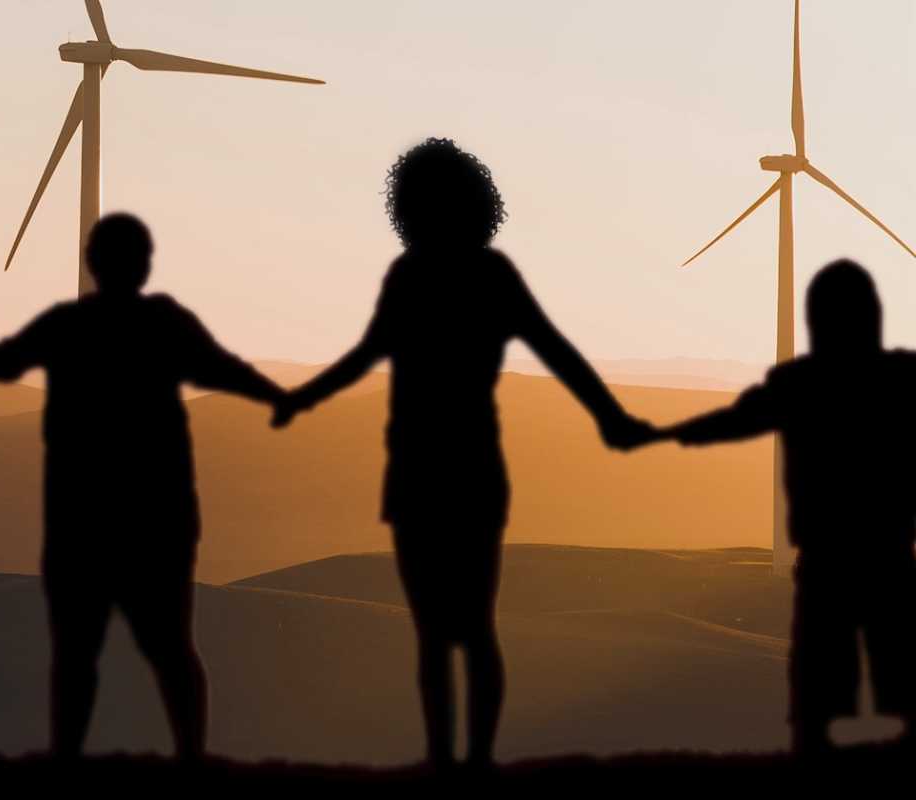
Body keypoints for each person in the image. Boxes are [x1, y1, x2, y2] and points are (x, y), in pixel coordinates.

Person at [274, 139, 652, 769]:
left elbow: (368, 355)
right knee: (472, 627)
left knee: (440, 632)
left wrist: (303, 397)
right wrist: (609, 416)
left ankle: (450, 760)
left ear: (408, 204)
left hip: (427, 471)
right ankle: (469, 760)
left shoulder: (422, 275)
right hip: (466, 471)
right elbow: (556, 351)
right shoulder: (483, 275)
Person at [0, 213, 286, 762]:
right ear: (145, 264)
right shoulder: (165, 323)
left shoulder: (65, 326)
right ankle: (191, 759)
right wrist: (281, 399)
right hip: (157, 520)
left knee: (78, 655)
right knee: (171, 648)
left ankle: (68, 761)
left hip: (82, 522)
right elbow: (225, 369)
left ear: (91, 263)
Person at [650, 260, 915, 755]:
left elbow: (735, 421)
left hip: (831, 554)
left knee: (820, 676)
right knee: (896, 664)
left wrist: (665, 433)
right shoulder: (903, 377)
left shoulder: (801, 382)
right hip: (887, 552)